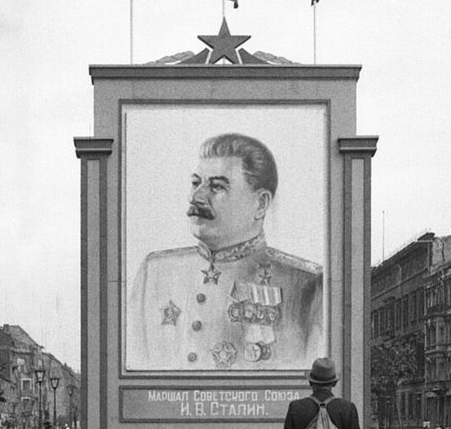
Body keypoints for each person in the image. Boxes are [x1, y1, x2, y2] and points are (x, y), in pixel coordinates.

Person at [127, 132, 323, 371]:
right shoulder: (154, 273)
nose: (196, 196)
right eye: (195, 183)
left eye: (217, 186)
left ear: (260, 204)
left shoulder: (307, 285)